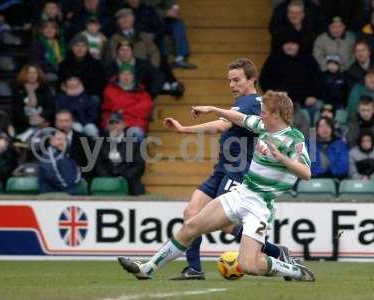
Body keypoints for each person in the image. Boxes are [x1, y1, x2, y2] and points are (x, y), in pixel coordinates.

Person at [118, 90, 315, 282]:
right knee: (191, 226)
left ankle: (294, 270)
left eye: (263, 112)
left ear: (276, 114)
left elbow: (306, 173)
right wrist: (212, 109)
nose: (260, 115)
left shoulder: (294, 139)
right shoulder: (263, 127)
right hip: (241, 194)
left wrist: (281, 158)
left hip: (260, 206)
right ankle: (147, 268)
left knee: (248, 266)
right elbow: (239, 118)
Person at [162, 59, 291, 281]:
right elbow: (223, 125)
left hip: (238, 170)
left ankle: (275, 252)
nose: (232, 85)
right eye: (230, 80)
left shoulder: (252, 102)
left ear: (252, 79)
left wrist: (184, 130)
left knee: (225, 223)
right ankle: (194, 269)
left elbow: (220, 126)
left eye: (237, 80)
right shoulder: (241, 104)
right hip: (222, 168)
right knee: (192, 213)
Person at [96, 112, 146, 195]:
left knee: (137, 189)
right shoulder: (100, 143)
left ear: (123, 125)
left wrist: (124, 177)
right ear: (107, 126)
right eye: (111, 123)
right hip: (106, 180)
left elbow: (139, 165)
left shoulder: (133, 142)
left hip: (129, 180)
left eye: (117, 123)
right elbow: (98, 165)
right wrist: (109, 178)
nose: (114, 125)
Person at [101, 64, 153, 141]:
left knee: (136, 133)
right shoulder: (110, 89)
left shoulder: (142, 92)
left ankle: (137, 153)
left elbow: (145, 108)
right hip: (114, 123)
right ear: (118, 75)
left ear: (133, 76)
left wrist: (123, 110)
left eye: (129, 74)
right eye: (123, 73)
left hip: (133, 124)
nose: (126, 76)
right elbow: (109, 109)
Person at [12, 64, 55, 138]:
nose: (32, 75)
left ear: (38, 74)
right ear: (25, 74)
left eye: (35, 73)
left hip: (43, 123)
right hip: (24, 125)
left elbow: (50, 108)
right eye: (29, 73)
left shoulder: (45, 89)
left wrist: (41, 119)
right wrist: (29, 120)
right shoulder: (19, 90)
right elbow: (16, 111)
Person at [38, 130, 82, 195]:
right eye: (59, 139)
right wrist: (67, 187)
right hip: (52, 194)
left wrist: (75, 184)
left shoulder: (68, 155)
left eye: (65, 140)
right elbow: (51, 175)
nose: (62, 142)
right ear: (51, 141)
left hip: (70, 192)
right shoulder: (49, 155)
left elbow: (77, 170)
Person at [55, 73, 99, 139]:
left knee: (91, 129)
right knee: (77, 128)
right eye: (70, 80)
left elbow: (92, 112)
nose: (72, 82)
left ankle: (95, 148)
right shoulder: (61, 96)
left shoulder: (86, 95)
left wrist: (86, 122)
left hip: (86, 122)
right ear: (66, 82)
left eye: (75, 80)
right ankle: (77, 148)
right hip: (70, 122)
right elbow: (60, 111)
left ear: (79, 81)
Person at [55, 110, 95, 181]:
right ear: (56, 123)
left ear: (72, 121)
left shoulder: (84, 139)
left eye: (67, 121)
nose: (64, 124)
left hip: (79, 180)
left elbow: (90, 165)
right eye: (61, 121)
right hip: (56, 180)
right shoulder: (50, 140)